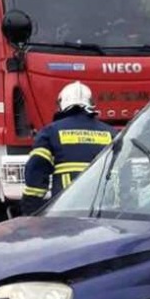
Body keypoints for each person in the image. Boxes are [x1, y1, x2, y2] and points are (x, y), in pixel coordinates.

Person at [21, 81, 115, 214]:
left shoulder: (50, 132)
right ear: (91, 103)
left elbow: (37, 170)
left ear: (61, 104)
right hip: (104, 209)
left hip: (66, 209)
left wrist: (30, 208)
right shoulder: (111, 133)